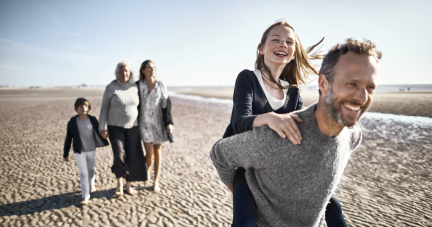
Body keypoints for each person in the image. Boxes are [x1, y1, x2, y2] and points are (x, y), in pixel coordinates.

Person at [211, 38, 381, 226]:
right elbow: (220, 154)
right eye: (351, 83)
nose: (362, 97)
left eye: (370, 87)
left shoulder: (352, 135)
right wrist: (242, 198)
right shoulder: (278, 137)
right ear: (323, 84)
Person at [223, 21, 346, 227]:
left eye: (289, 42)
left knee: (333, 207)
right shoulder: (247, 78)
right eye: (276, 40)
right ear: (261, 49)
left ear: (294, 53)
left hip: (280, 165)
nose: (283, 45)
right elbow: (238, 123)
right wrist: (271, 117)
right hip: (246, 166)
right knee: (245, 221)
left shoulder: (294, 91)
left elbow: (301, 131)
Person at [99, 60, 147, 196]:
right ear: (116, 73)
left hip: (133, 127)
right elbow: (104, 109)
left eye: (126, 70)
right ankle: (119, 184)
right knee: (119, 155)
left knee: (132, 156)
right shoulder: (110, 88)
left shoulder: (134, 87)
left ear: (130, 72)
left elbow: (141, 107)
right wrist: (102, 128)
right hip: (115, 127)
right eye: (121, 71)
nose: (124, 73)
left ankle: (128, 185)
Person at [63, 98, 109, 205]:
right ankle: (85, 196)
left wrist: (105, 134)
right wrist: (65, 153)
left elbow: (99, 131)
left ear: (89, 108)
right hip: (79, 151)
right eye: (80, 107)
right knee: (83, 173)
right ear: (76, 109)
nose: (83, 108)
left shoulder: (92, 119)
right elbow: (68, 138)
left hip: (91, 149)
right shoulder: (72, 122)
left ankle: (92, 184)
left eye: (86, 106)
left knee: (90, 169)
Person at [137, 60, 174, 192]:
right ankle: (146, 169)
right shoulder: (138, 85)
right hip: (144, 123)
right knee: (149, 153)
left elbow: (167, 104)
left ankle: (156, 181)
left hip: (158, 123)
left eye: (153, 68)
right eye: (148, 68)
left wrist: (169, 122)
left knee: (157, 151)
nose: (151, 70)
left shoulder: (160, 85)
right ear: (143, 70)